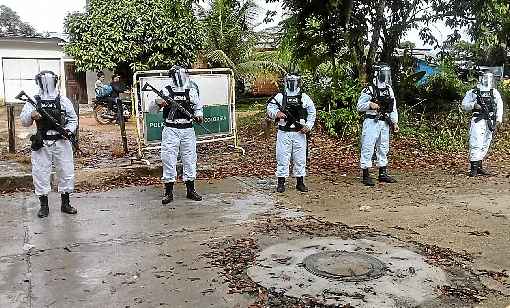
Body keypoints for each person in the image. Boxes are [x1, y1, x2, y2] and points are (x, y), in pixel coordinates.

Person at [20, 71, 78, 218]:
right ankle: (44, 205)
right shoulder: (33, 100)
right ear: (38, 82)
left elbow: (73, 120)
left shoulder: (63, 100)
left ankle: (65, 203)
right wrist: (31, 115)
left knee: (66, 171)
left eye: (50, 81)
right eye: (44, 81)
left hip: (61, 141)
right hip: (42, 142)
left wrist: (68, 131)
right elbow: (24, 122)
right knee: (40, 172)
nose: (47, 84)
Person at [148, 65, 203, 204]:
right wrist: (158, 103)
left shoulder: (191, 90)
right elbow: (152, 110)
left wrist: (198, 115)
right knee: (168, 158)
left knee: (190, 158)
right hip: (171, 129)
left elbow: (198, 107)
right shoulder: (166, 90)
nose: (181, 78)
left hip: (187, 128)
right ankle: (168, 192)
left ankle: (191, 190)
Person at [266, 73, 316, 193]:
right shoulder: (279, 97)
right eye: (290, 81)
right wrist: (276, 114)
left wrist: (308, 126)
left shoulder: (304, 97)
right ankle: (281, 182)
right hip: (284, 132)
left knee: (300, 158)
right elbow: (270, 108)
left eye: (294, 81)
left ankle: (300, 182)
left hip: (299, 133)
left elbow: (312, 112)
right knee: (282, 157)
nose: (292, 83)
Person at [357, 64, 400, 187]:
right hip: (371, 121)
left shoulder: (388, 89)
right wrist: (370, 104)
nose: (386, 76)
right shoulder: (369, 89)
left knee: (383, 147)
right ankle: (366, 174)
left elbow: (393, 107)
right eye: (384, 73)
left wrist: (395, 122)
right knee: (368, 146)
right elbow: (359, 106)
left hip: (384, 122)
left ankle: (382, 173)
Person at [462, 72, 504, 177]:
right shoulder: (473, 92)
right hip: (478, 120)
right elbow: (464, 105)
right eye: (485, 77)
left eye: (489, 78)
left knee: (486, 142)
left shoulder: (494, 92)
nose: (487, 80)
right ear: (481, 78)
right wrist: (474, 105)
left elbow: (499, 105)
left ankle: (479, 166)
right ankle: (474, 168)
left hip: (490, 120)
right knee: (476, 141)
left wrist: (498, 120)